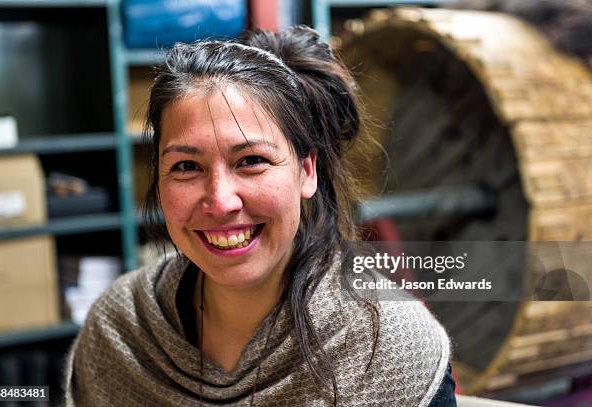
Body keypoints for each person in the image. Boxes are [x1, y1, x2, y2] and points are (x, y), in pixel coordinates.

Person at [64, 25, 454, 406]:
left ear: (306, 171)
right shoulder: (120, 328)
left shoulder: (390, 347)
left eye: (251, 161)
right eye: (186, 167)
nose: (220, 202)